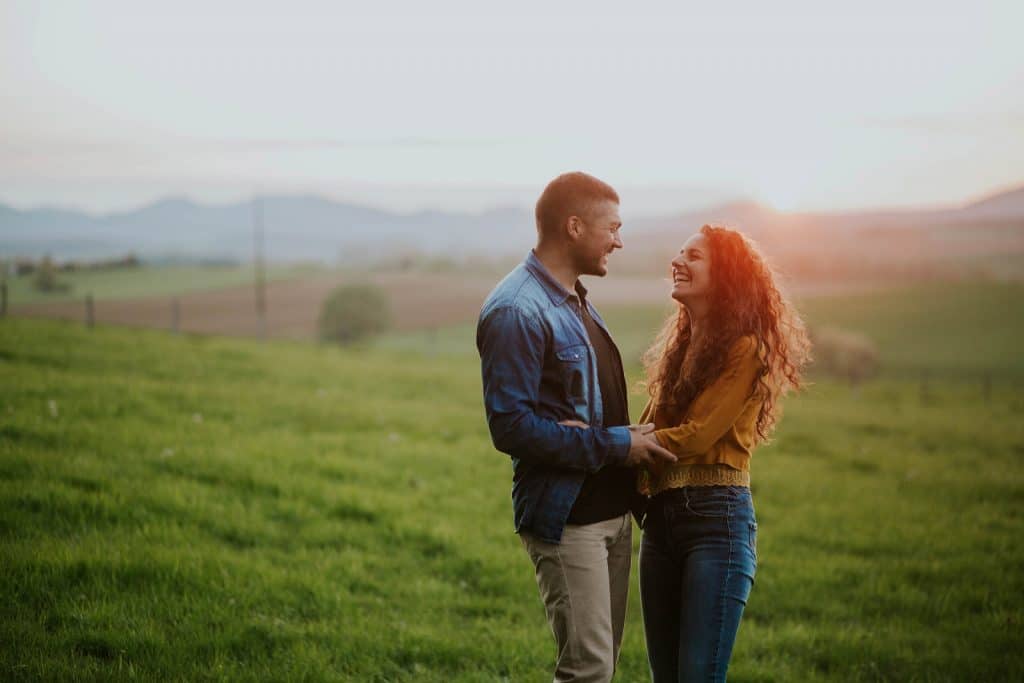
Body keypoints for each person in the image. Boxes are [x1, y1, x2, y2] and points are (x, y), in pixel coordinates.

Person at [476, 172, 677, 682]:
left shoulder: (576, 299)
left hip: (610, 512)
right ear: (574, 226)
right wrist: (614, 444)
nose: (619, 239)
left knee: (601, 667)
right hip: (570, 521)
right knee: (587, 670)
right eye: (612, 227)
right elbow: (512, 428)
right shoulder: (516, 309)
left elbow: (588, 409)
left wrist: (627, 438)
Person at [636, 225, 811, 683]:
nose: (678, 260)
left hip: (716, 525)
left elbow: (695, 436)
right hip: (661, 524)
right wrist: (622, 442)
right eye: (678, 252)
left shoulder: (745, 348)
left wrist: (623, 448)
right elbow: (651, 426)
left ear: (726, 275)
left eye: (693, 255)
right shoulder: (682, 349)